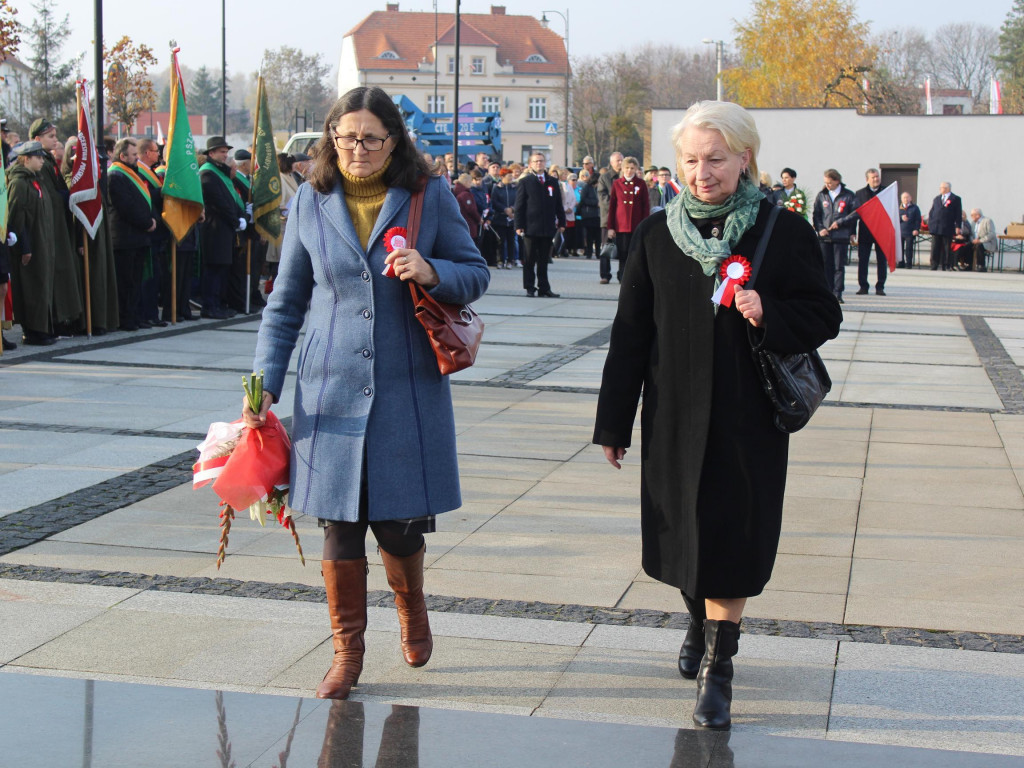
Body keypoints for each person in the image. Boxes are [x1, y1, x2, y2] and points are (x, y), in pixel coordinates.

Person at [594, 100, 841, 730]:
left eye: (716, 159)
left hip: (747, 420)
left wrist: (769, 312)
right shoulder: (655, 234)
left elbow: (824, 314)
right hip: (672, 415)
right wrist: (613, 422)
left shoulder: (783, 231)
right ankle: (698, 621)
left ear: (744, 158)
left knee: (731, 538)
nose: (703, 173)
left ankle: (719, 671)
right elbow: (630, 334)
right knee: (681, 534)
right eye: (691, 160)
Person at [244, 85, 489, 702]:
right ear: (331, 139)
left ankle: (412, 611)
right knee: (338, 523)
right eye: (345, 137)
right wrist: (264, 385)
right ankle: (346, 653)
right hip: (327, 387)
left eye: (370, 138)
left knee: (398, 525)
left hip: (406, 386)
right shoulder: (309, 202)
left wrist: (433, 271)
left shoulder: (427, 198)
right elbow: (286, 302)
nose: (356, 148)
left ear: (393, 140)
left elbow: (476, 272)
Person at [30, 119, 83, 334]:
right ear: (37, 139)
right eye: (50, 136)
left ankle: (65, 318)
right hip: (50, 227)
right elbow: (49, 195)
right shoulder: (39, 164)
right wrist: (65, 195)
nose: (55, 140)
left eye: (55, 135)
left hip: (59, 224)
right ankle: (57, 320)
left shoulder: (48, 161)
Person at [62, 136, 120, 335]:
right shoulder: (73, 181)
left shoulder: (93, 180)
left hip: (98, 237)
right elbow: (77, 214)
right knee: (89, 279)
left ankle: (101, 320)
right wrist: (80, 240)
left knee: (100, 278)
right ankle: (88, 322)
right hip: (84, 239)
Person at [6, 141, 57, 345]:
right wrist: (24, 248)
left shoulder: (35, 180)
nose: (42, 160)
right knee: (31, 287)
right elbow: (17, 220)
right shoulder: (19, 183)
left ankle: (42, 328)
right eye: (38, 157)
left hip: (41, 243)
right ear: (26, 159)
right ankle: (33, 331)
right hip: (30, 246)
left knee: (41, 285)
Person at [108, 138, 157, 332]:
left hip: (138, 237)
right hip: (124, 238)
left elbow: (145, 200)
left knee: (136, 281)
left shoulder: (131, 174)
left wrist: (152, 219)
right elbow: (126, 206)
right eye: (134, 155)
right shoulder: (115, 176)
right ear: (122, 156)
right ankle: (125, 318)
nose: (137, 158)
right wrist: (147, 222)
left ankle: (135, 316)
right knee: (125, 282)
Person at [199, 136, 245, 319]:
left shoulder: (220, 173)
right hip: (214, 229)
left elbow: (230, 200)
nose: (226, 155)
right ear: (211, 153)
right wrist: (235, 220)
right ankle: (210, 306)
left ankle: (218, 304)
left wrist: (240, 217)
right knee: (213, 270)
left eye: (227, 152)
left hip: (225, 229)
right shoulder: (207, 173)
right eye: (222, 152)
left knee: (222, 269)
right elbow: (219, 202)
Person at [514, 152, 564, 297]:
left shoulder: (552, 182)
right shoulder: (526, 181)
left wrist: (562, 221)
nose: (539, 164)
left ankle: (544, 287)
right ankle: (529, 287)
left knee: (543, 260)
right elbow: (519, 205)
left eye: (541, 161)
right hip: (530, 227)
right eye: (536, 161)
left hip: (547, 227)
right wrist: (518, 225)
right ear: (530, 164)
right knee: (529, 259)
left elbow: (558, 204)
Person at [812, 169, 857, 303]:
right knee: (826, 265)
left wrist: (840, 222)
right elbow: (817, 214)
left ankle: (837, 293)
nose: (827, 185)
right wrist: (820, 229)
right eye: (826, 182)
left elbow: (855, 214)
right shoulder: (822, 195)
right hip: (825, 236)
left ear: (837, 181)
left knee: (838, 266)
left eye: (830, 182)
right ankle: (827, 291)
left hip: (840, 236)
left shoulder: (848, 195)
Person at [607, 156, 651, 282]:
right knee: (623, 252)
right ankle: (622, 275)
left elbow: (645, 206)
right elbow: (612, 206)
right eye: (627, 168)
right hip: (621, 224)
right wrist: (611, 227)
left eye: (632, 168)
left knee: (635, 253)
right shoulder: (617, 184)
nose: (629, 171)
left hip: (636, 224)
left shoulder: (641, 184)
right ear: (622, 168)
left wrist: (644, 226)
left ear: (636, 169)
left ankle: (633, 276)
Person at [851, 168, 887, 296]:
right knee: (863, 260)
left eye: (877, 176)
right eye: (873, 177)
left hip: (882, 231)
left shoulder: (886, 192)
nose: (876, 179)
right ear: (867, 179)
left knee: (882, 260)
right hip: (865, 231)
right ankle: (863, 286)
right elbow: (855, 213)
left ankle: (880, 286)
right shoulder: (859, 193)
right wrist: (852, 231)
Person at [927, 182, 962, 271]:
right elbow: (932, 211)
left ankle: (946, 265)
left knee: (947, 247)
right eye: (940, 187)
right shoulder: (937, 198)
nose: (940, 189)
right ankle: (934, 264)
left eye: (942, 187)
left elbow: (958, 213)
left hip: (947, 226)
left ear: (947, 188)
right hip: (936, 226)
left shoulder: (955, 199)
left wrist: (958, 226)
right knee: (935, 247)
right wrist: (930, 223)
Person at [490, 167, 517, 268]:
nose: (511, 178)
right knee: (500, 241)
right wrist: (504, 209)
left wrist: (513, 209)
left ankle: (510, 260)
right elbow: (494, 201)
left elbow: (518, 200)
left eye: (511, 176)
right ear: (502, 177)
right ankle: (500, 260)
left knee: (511, 240)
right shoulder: (496, 188)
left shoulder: (515, 187)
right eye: (508, 176)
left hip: (512, 219)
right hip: (500, 218)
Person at [577, 169, 601, 260]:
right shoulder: (587, 187)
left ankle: (598, 252)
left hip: (598, 215)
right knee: (589, 235)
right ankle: (589, 252)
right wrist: (595, 203)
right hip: (588, 214)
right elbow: (583, 199)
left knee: (598, 236)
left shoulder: (599, 188)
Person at [968, 208, 996, 272]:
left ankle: (981, 266)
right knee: (966, 246)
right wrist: (973, 240)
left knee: (979, 246)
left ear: (977, 215)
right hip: (975, 241)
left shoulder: (987, 221)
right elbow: (971, 234)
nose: (971, 217)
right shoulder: (973, 223)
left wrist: (980, 240)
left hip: (987, 242)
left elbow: (991, 234)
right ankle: (969, 265)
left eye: (972, 215)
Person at [899, 191, 921, 268]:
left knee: (909, 248)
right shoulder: (898, 208)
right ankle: (901, 262)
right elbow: (894, 218)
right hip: (900, 231)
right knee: (900, 248)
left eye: (907, 197)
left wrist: (916, 229)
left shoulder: (915, 208)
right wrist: (901, 218)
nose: (906, 199)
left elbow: (918, 220)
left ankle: (909, 263)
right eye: (904, 198)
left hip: (910, 231)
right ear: (901, 199)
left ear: (910, 198)